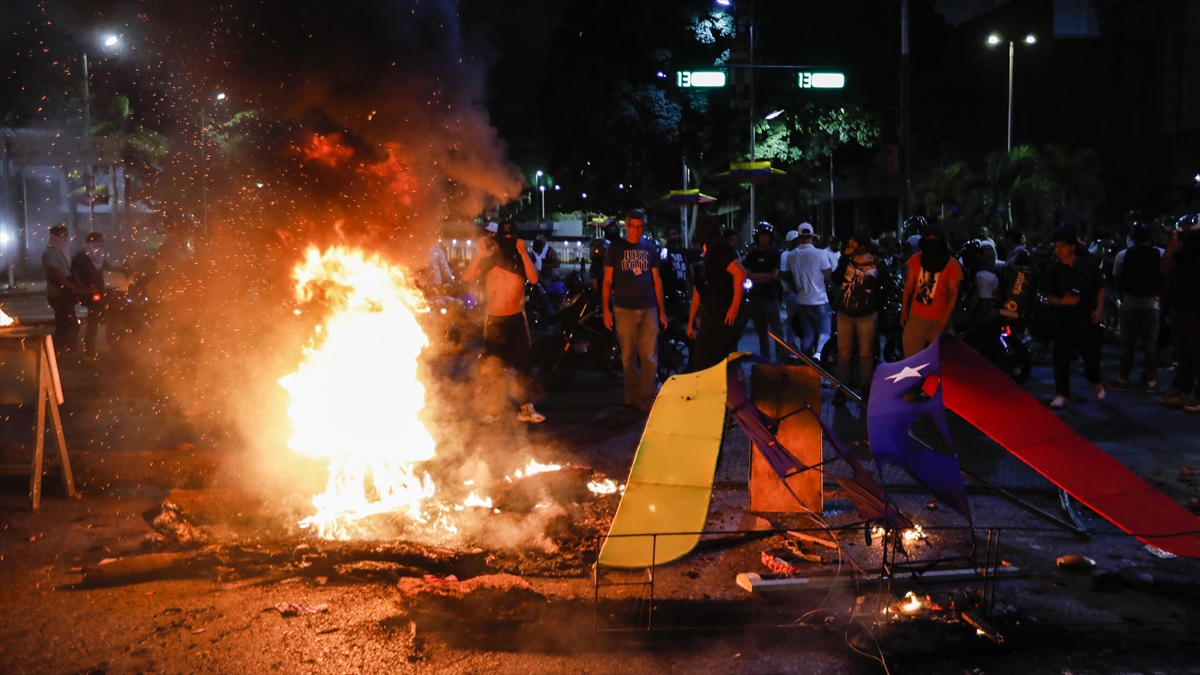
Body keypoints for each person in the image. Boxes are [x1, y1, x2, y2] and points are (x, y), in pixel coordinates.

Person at [462, 221, 545, 424]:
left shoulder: (523, 256)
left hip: (517, 318)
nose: (508, 241)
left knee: (523, 365)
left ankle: (526, 408)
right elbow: (467, 276)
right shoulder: (492, 257)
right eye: (504, 237)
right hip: (495, 320)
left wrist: (524, 254)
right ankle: (492, 409)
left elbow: (534, 279)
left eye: (511, 237)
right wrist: (481, 253)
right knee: (493, 366)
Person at [603, 209, 667, 413]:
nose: (637, 230)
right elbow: (607, 281)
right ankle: (631, 398)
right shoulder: (615, 249)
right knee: (628, 356)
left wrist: (662, 310)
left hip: (648, 308)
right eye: (634, 226)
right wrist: (606, 309)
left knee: (649, 357)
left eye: (641, 226)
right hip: (623, 309)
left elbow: (657, 281)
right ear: (627, 226)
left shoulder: (650, 248)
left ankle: (648, 399)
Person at [1041, 228, 1106, 409]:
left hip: (1087, 319)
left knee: (1091, 358)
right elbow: (1050, 297)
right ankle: (1062, 394)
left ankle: (1096, 382)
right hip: (1063, 320)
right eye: (1056, 246)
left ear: (1072, 247)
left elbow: (1101, 287)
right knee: (1061, 358)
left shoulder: (1088, 265)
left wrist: (1099, 309)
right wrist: (1063, 301)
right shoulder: (1053, 271)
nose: (1059, 250)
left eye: (1063, 246)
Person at [1109, 222, 1163, 393]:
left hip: (1129, 304)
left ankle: (1123, 380)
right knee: (1150, 344)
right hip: (1152, 304)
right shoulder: (1160, 254)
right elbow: (1166, 280)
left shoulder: (1122, 255)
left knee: (1127, 345)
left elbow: (1117, 281)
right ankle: (1151, 383)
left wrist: (1123, 296)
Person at [831, 231, 884, 403]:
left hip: (866, 315)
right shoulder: (846, 261)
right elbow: (836, 278)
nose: (849, 248)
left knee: (866, 353)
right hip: (845, 314)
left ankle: (866, 388)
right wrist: (845, 258)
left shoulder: (876, 264)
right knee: (843, 352)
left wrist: (877, 306)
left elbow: (884, 287)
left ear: (862, 247)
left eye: (853, 245)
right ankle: (841, 387)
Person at [687, 229, 747, 372]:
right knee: (707, 358)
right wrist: (690, 323)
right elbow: (696, 299)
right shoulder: (702, 272)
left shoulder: (723, 265)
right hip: (711, 314)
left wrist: (734, 307)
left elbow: (740, 274)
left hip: (722, 316)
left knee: (721, 357)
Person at [900, 225, 964, 358]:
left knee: (941, 360)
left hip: (939, 319)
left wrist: (945, 319)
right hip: (916, 318)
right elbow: (909, 287)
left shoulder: (952, 264)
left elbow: (953, 294)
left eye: (935, 239)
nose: (932, 242)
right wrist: (904, 311)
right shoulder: (916, 259)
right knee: (911, 359)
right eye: (929, 239)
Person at [1158, 215, 1200, 412]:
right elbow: (1166, 271)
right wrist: (1170, 252)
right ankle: (1184, 392)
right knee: (1184, 352)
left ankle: (1195, 395)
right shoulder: (1180, 251)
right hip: (1180, 304)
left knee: (1195, 351)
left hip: (1195, 307)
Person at [70, 232, 124, 358]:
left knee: (102, 317)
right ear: (90, 243)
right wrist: (83, 289)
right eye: (97, 242)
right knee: (93, 321)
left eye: (102, 242)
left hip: (100, 291)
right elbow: (75, 275)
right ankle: (89, 349)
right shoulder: (80, 257)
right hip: (89, 293)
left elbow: (109, 266)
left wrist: (123, 269)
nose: (100, 245)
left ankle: (96, 347)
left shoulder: (99, 256)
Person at [786, 222, 832, 357]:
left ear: (799, 236)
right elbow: (828, 274)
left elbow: (789, 277)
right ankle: (818, 355)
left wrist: (797, 289)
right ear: (812, 236)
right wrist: (826, 286)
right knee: (824, 332)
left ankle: (807, 361)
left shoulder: (791, 255)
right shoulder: (820, 253)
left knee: (807, 335)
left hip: (801, 300)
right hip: (819, 299)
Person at [742, 222, 783, 360]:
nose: (765, 238)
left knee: (777, 329)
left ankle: (781, 359)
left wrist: (756, 277)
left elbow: (774, 275)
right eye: (762, 235)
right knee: (761, 330)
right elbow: (747, 274)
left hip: (771, 296)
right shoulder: (752, 255)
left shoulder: (775, 254)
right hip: (756, 296)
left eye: (767, 235)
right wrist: (764, 276)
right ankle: (765, 359)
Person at [42, 225, 84, 358]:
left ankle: (56, 354)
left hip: (65, 295)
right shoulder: (50, 254)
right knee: (71, 325)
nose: (65, 239)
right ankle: (71, 354)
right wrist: (74, 289)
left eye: (66, 236)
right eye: (62, 236)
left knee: (63, 326)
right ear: (54, 237)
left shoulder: (62, 252)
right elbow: (58, 276)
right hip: (58, 295)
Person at [659, 224, 691, 319]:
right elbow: (660, 268)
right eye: (669, 235)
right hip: (669, 291)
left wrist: (691, 287)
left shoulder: (684, 251)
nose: (672, 237)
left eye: (674, 234)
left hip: (683, 290)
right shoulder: (664, 251)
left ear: (678, 235)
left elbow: (689, 269)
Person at [779, 229, 802, 351]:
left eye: (797, 240)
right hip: (791, 292)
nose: (796, 243)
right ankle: (790, 345)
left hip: (800, 291)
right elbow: (784, 274)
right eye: (794, 241)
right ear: (788, 242)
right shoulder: (785, 255)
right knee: (793, 319)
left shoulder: (799, 253)